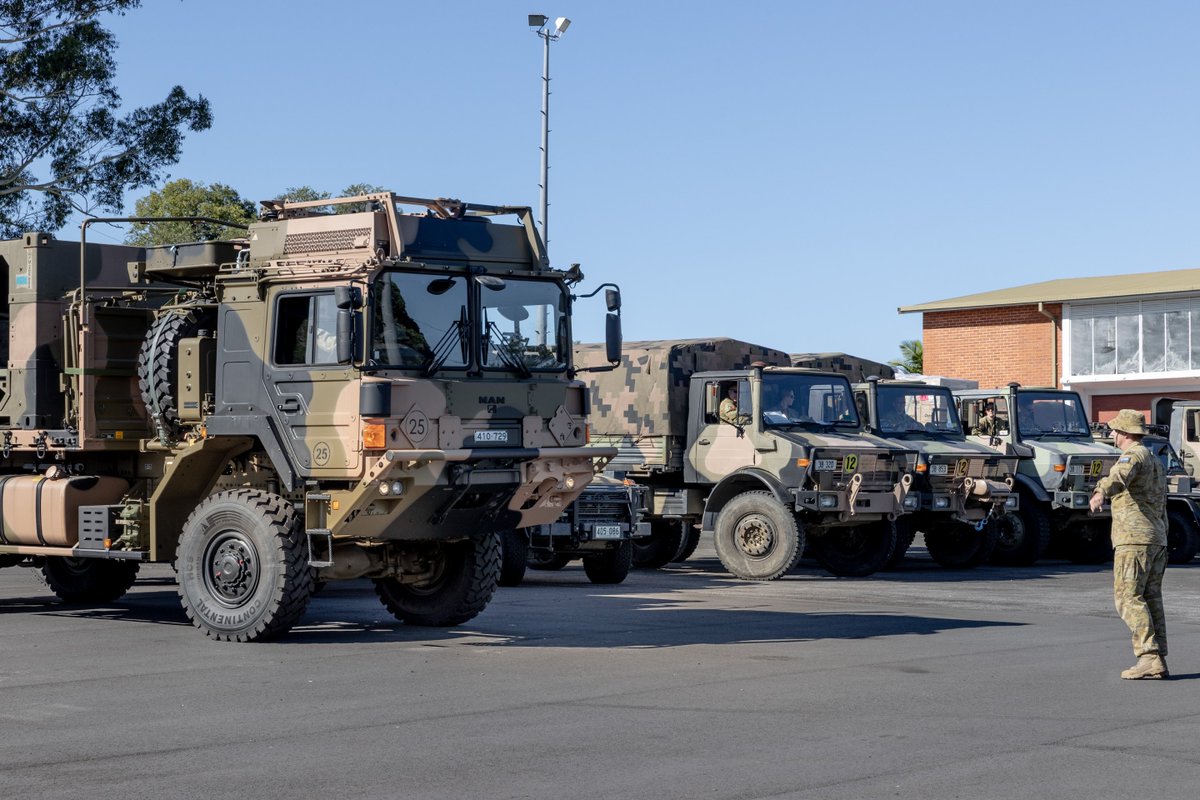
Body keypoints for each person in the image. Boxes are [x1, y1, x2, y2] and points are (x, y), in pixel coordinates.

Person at [1088, 409, 1169, 680]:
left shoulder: (1132, 455)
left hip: (1133, 540)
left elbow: (1119, 476)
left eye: (1114, 430)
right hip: (1155, 538)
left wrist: (1100, 491)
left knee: (1127, 598)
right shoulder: (1154, 460)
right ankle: (1157, 658)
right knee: (1150, 598)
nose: (1111, 434)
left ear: (1124, 433)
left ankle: (1148, 656)